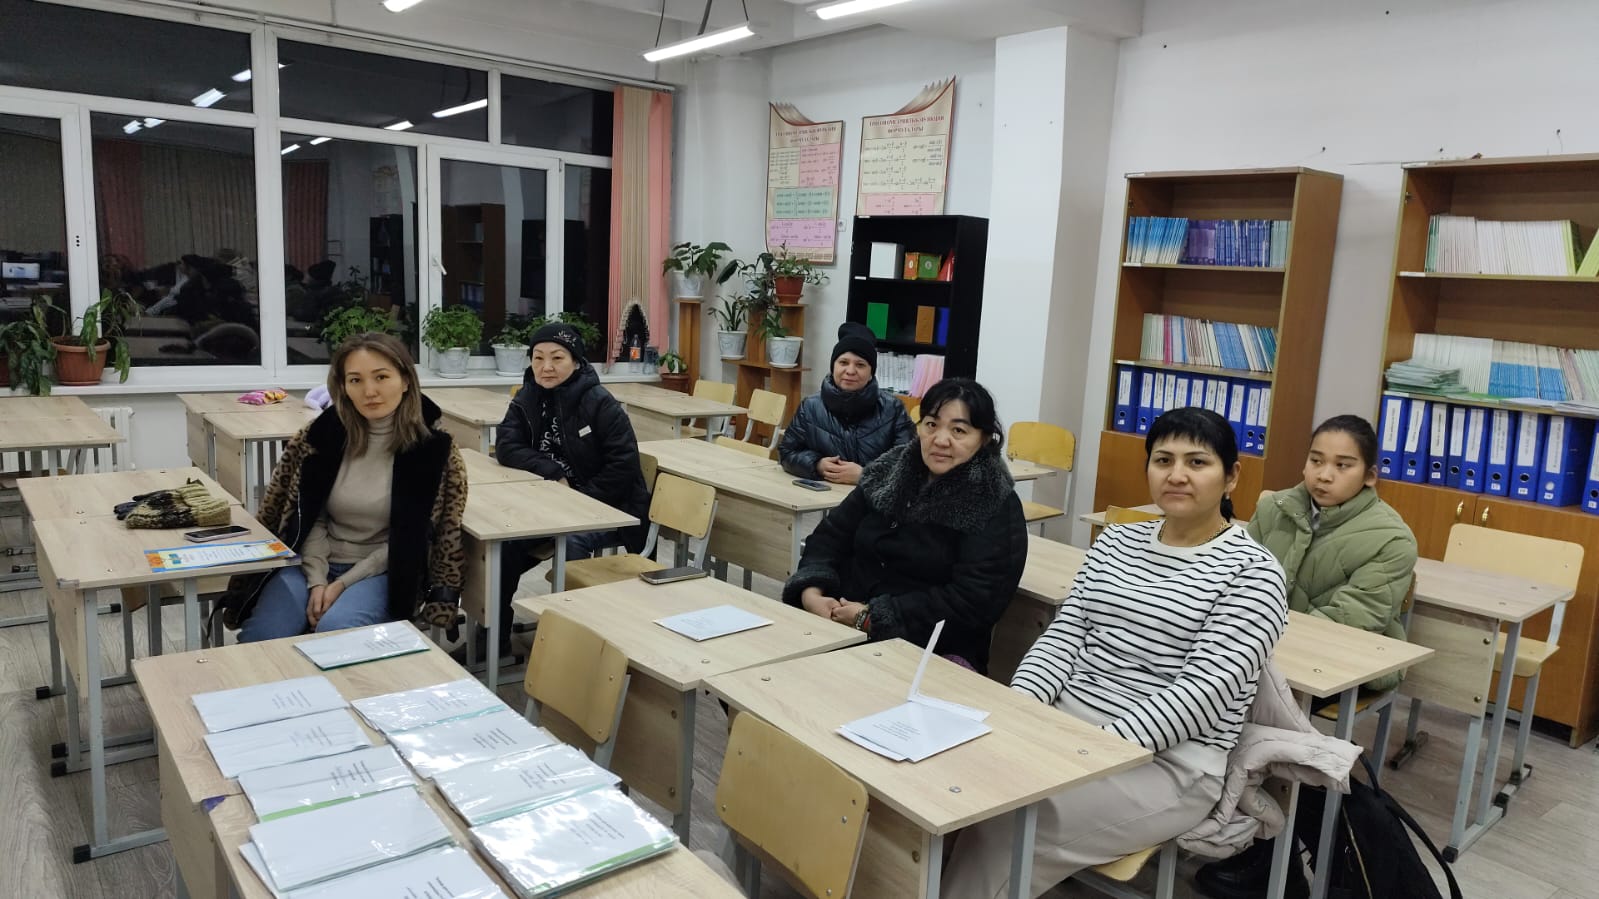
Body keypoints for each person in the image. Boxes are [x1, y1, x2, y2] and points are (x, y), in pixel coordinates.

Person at [941, 407, 1288, 898]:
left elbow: (1202, 696)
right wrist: (1020, 715)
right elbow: (1063, 637)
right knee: (947, 781)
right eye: (1163, 460)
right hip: (1065, 730)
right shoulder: (1117, 541)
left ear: (1231, 476)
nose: (1177, 475)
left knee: (1007, 818)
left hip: (1169, 766)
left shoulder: (1253, 573)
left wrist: (1090, 752)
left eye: (1197, 462)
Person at [1195, 413, 1417, 899]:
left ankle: (1271, 857)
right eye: (1316, 460)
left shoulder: (1392, 538)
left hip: (1343, 666)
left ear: (1370, 475)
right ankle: (1239, 832)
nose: (1324, 475)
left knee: (1242, 714)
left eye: (1342, 465)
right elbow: (1238, 577)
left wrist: (1258, 631)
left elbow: (1351, 621)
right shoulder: (1275, 507)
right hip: (1266, 653)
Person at [223, 333, 469, 642]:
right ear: (343, 387)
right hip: (311, 563)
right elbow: (310, 518)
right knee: (262, 637)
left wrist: (342, 584)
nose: (370, 391)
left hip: (386, 571)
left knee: (335, 632)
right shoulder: (320, 438)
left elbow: (413, 537)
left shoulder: (434, 451)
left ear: (406, 380)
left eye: (381, 377)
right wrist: (317, 580)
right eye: (355, 380)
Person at [781, 377, 1027, 673]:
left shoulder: (993, 500)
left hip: (931, 646)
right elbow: (830, 537)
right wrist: (812, 591)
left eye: (959, 430)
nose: (941, 440)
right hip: (841, 619)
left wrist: (873, 618)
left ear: (985, 438)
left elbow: (973, 602)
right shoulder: (888, 472)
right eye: (931, 425)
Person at [494, 321, 650, 646]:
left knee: (574, 540)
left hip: (607, 507)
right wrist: (551, 471)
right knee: (499, 544)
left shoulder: (599, 402)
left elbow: (624, 465)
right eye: (538, 358)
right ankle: (494, 636)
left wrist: (579, 502)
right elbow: (507, 444)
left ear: (576, 362)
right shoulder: (528, 396)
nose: (546, 367)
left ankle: (572, 640)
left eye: (557, 358)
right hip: (554, 506)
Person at [779, 322, 916, 484]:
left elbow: (910, 466)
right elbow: (786, 453)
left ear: (871, 373)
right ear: (833, 367)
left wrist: (865, 474)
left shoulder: (893, 410)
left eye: (860, 365)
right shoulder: (810, 407)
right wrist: (817, 465)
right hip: (820, 497)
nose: (850, 371)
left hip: (869, 498)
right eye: (843, 362)